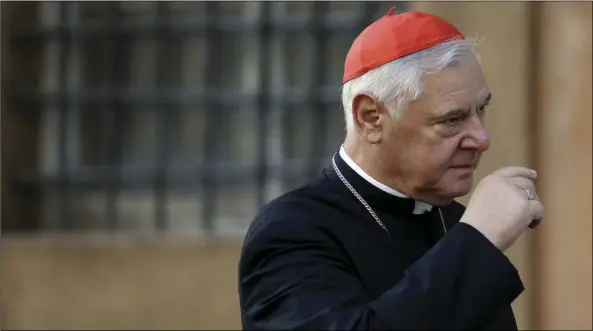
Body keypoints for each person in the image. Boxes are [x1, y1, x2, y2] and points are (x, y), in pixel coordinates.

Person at [238, 7, 544, 330]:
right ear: (370, 117)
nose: (482, 139)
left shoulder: (455, 223)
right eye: (452, 119)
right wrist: (476, 240)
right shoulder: (291, 234)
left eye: (481, 109)